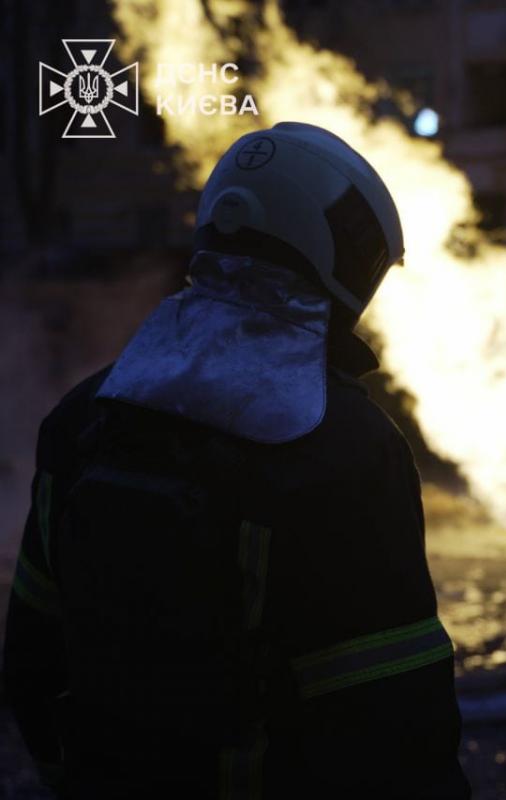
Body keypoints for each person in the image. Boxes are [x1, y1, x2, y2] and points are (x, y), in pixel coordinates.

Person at [4, 122, 470, 798]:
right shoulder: (347, 451)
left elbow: (31, 665)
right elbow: (394, 724)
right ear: (332, 252)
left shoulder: (83, 418)